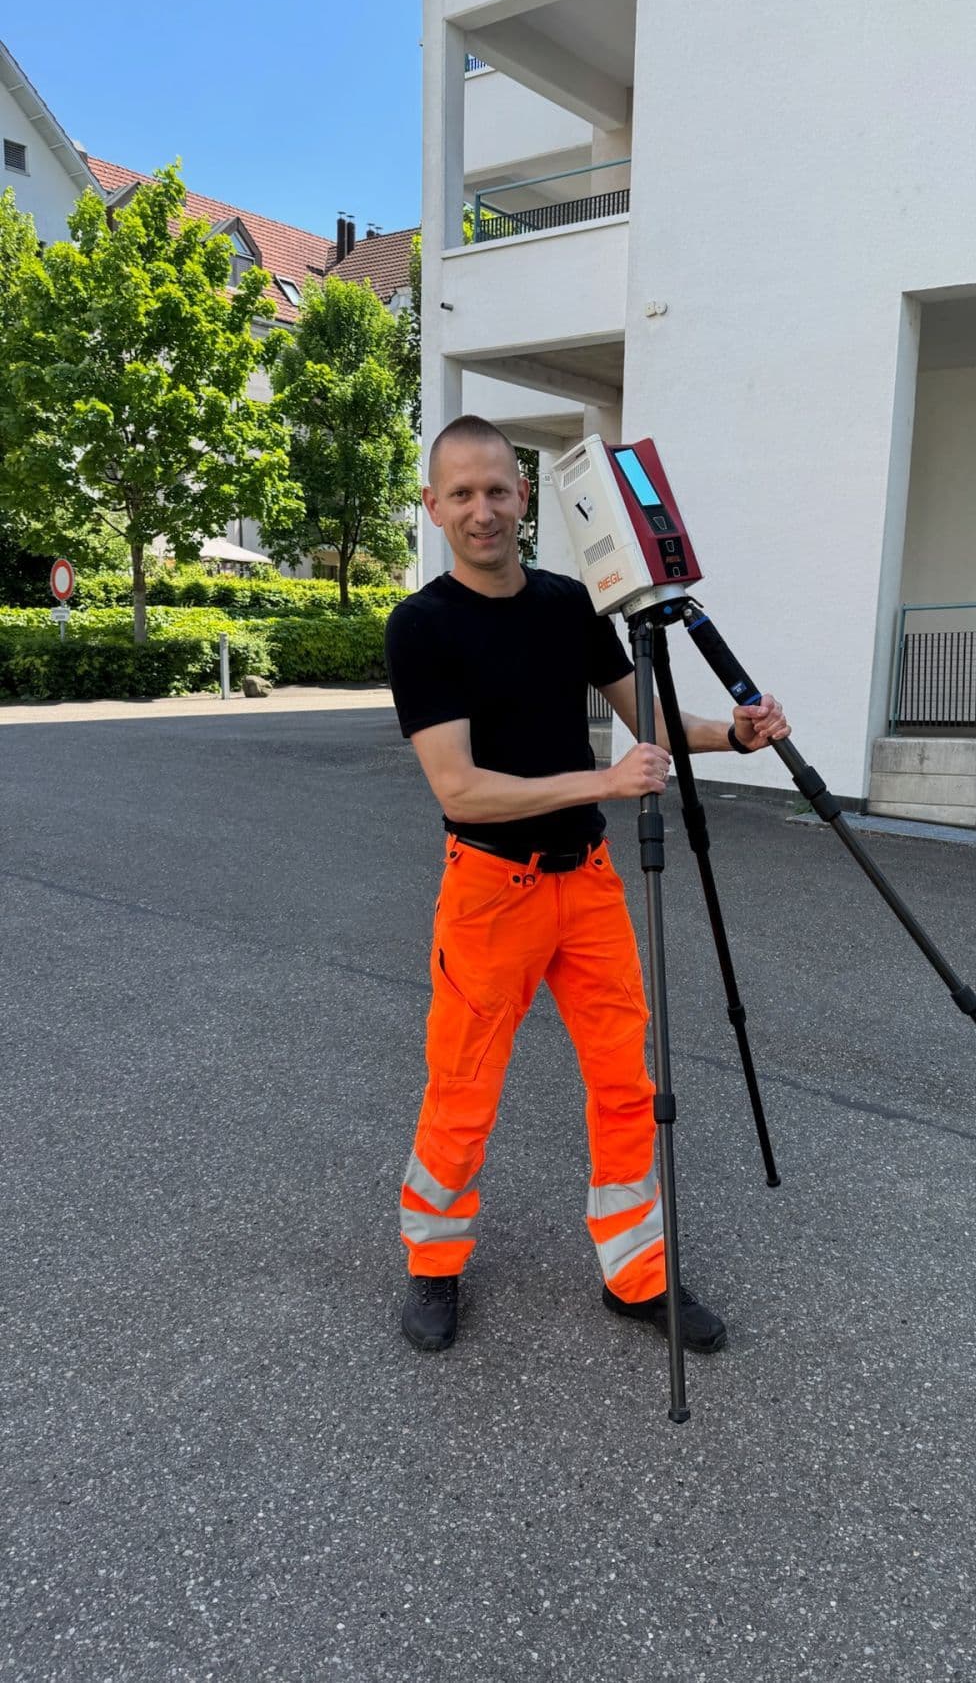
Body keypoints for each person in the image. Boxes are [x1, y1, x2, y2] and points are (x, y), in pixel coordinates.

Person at [384, 414, 790, 1355]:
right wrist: (605, 781)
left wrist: (734, 733)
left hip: (591, 885)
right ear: (433, 506)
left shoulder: (571, 603)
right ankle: (434, 1263)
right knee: (463, 1083)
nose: (482, 511)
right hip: (490, 891)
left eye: (498, 490)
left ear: (525, 498)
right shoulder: (422, 627)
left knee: (625, 1083)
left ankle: (636, 1272)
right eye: (462, 494)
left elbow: (641, 719)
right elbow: (460, 787)